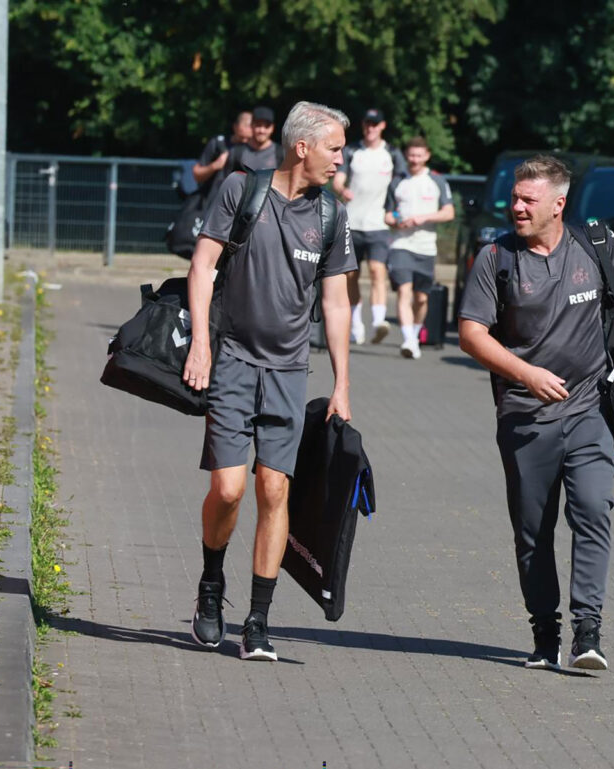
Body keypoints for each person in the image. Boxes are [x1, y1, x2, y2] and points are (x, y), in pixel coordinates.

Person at [457, 155, 614, 672]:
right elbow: (471, 334)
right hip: (524, 416)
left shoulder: (594, 244)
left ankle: (587, 631)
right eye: (515, 197)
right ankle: (544, 630)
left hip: (588, 409)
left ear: (559, 204)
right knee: (533, 531)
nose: (517, 207)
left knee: (593, 509)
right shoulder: (496, 258)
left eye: (529, 199)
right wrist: (525, 374)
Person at [182, 101, 355, 661]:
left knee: (273, 489)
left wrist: (343, 384)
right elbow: (203, 265)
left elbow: (335, 302)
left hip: (287, 372)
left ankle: (257, 619)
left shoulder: (331, 215)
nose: (339, 160)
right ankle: (212, 584)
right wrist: (202, 346)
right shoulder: (241, 191)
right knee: (229, 489)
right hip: (231, 360)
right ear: (301, 146)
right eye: (334, 148)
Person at [332, 108, 407, 345]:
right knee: (351, 276)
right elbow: (337, 178)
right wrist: (342, 189)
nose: (370, 128)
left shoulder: (392, 153)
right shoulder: (353, 150)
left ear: (382, 126)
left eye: (375, 124)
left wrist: (394, 211)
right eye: (367, 123)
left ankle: (378, 321)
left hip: (378, 224)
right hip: (353, 222)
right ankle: (356, 323)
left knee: (377, 271)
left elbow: (402, 184)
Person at [384, 136, 454, 359]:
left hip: (426, 248)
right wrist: (395, 221)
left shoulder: (437, 181)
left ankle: (414, 334)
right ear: (406, 155)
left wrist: (422, 218)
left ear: (427, 156)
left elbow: (448, 212)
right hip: (401, 244)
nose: (414, 159)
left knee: (421, 298)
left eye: (419, 155)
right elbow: (387, 214)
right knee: (404, 291)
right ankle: (407, 340)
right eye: (411, 155)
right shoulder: (397, 181)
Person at [191, 109, 253, 202]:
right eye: (246, 126)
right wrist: (215, 165)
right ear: (235, 126)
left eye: (248, 139)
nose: (245, 141)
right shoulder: (218, 144)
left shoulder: (255, 151)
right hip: (211, 200)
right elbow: (197, 174)